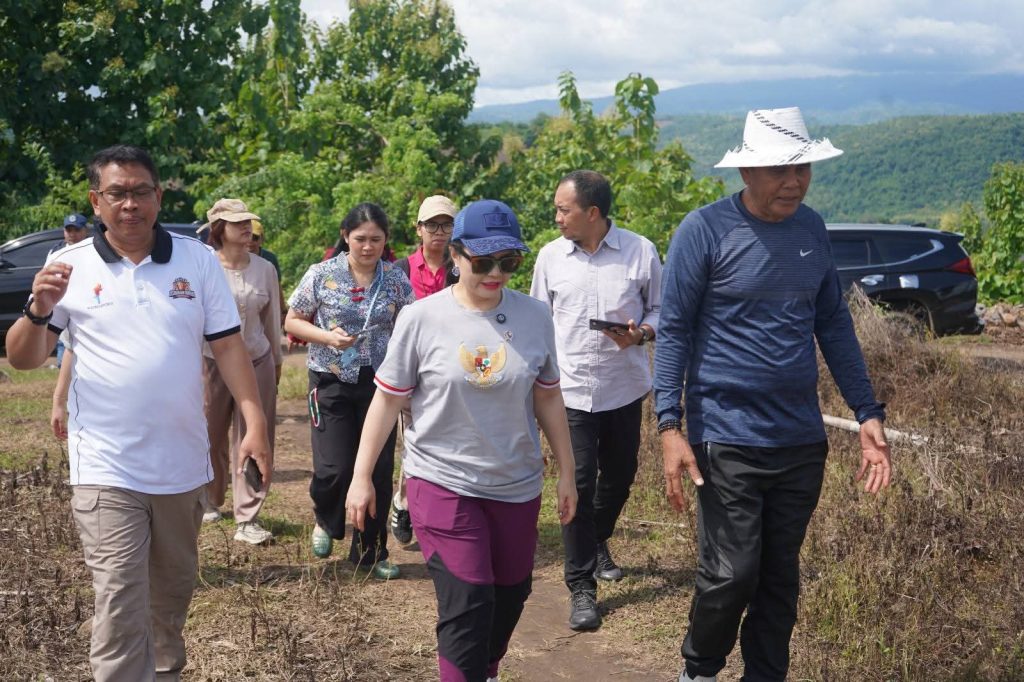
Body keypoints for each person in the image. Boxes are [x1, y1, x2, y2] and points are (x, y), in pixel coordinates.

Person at [6, 144, 271, 682]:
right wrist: (37, 310)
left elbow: (227, 346)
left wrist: (256, 422)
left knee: (169, 599)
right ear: (96, 201)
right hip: (105, 466)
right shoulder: (68, 266)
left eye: (141, 191)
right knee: (121, 598)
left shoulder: (197, 260)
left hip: (181, 466)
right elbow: (23, 358)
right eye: (117, 193)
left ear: (159, 195)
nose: (130, 204)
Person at [653, 107, 893, 682]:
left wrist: (866, 411)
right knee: (732, 572)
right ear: (746, 172)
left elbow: (832, 323)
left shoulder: (811, 229)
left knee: (779, 576)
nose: (794, 181)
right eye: (780, 170)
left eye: (802, 168)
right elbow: (674, 329)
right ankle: (699, 670)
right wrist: (668, 425)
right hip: (725, 435)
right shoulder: (703, 231)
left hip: (799, 438)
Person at [345, 199, 578, 682]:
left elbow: (548, 397)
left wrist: (568, 472)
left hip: (516, 483)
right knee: (469, 600)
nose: (496, 274)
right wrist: (362, 477)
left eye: (508, 262)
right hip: (441, 480)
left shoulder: (535, 316)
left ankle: (484, 671)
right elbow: (387, 401)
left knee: (510, 593)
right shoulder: (421, 317)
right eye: (483, 261)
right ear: (456, 254)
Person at [530, 169, 662, 631]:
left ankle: (596, 536)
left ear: (592, 213)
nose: (557, 217)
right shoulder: (550, 257)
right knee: (579, 481)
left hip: (623, 386)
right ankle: (582, 587)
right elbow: (537, 319)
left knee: (621, 476)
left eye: (563, 210)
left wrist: (642, 333)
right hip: (568, 390)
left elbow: (661, 308)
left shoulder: (640, 251)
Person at [284, 202, 414, 578]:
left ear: (386, 240)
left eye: (376, 239)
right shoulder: (321, 273)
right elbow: (293, 320)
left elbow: (411, 324)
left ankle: (370, 551)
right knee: (334, 468)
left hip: (380, 384)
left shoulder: (395, 279)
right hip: (330, 379)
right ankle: (326, 519)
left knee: (377, 469)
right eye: (360, 239)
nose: (368, 246)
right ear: (345, 236)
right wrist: (327, 337)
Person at [200, 199, 283, 545]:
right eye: (238, 223)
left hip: (257, 359)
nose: (247, 228)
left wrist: (276, 362)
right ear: (220, 229)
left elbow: (272, 321)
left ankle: (248, 516)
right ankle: (209, 498)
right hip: (211, 360)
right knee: (210, 433)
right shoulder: (205, 266)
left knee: (255, 435)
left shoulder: (265, 269)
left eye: (248, 222)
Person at [388, 194, 460, 546]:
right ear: (419, 229)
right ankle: (404, 503)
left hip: (453, 370)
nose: (439, 232)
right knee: (415, 439)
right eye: (432, 224)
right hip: (411, 370)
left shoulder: (463, 269)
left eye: (446, 225)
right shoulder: (399, 270)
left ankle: (431, 507)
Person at [51, 213, 91, 368]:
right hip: (63, 303)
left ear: (86, 231)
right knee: (65, 342)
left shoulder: (95, 250)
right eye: (69, 230)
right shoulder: (56, 252)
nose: (72, 234)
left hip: (87, 303)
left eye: (77, 230)